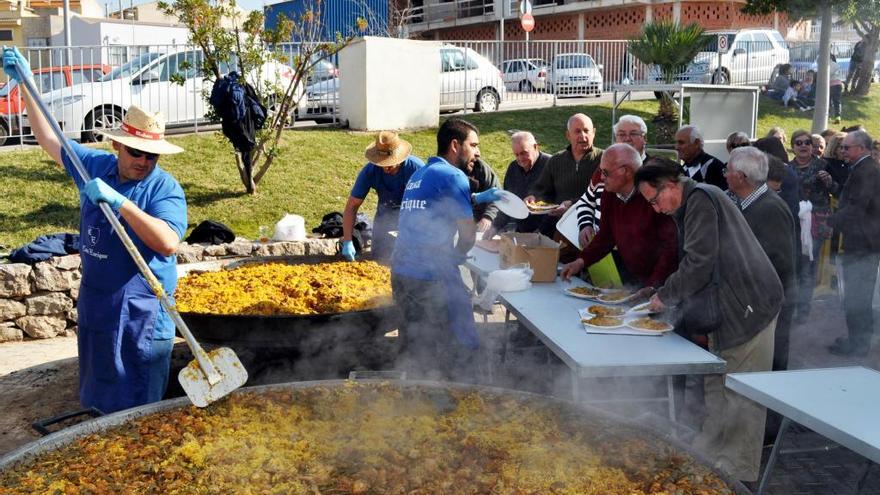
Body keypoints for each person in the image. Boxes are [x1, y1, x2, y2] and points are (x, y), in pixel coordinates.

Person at [3, 47, 187, 413]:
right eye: (136, 152)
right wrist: (27, 86)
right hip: (98, 304)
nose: (143, 162)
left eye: (152, 156)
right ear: (117, 144)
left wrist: (123, 204)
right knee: (100, 396)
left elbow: (168, 243)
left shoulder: (164, 188)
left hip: (142, 313)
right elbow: (51, 140)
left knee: (140, 408)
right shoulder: (95, 166)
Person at [636, 159, 783, 483]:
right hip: (726, 308)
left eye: (655, 200)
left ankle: (736, 473)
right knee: (717, 383)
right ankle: (710, 457)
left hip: (750, 306)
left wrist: (666, 296)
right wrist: (664, 289)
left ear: (671, 185)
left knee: (743, 393)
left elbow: (700, 262)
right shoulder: (690, 203)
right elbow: (695, 260)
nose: (656, 209)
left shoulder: (701, 198)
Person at [390, 118, 500, 379]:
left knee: (414, 349)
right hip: (428, 279)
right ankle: (454, 406)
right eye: (473, 145)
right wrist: (459, 255)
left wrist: (475, 197)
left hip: (401, 274)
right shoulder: (454, 175)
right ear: (455, 145)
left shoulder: (420, 173)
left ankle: (411, 404)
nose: (478, 152)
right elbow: (468, 234)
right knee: (454, 348)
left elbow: (436, 203)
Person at [560, 145, 677, 295]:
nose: (601, 178)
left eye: (605, 172)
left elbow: (671, 248)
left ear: (625, 171)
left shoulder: (653, 196)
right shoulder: (609, 194)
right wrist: (580, 262)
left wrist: (652, 286)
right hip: (637, 276)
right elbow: (605, 237)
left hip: (667, 282)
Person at [725, 147, 797, 372]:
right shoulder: (746, 203)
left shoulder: (769, 208)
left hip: (768, 305)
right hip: (756, 303)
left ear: (741, 177)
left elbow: (777, 265)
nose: (724, 175)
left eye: (727, 171)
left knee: (770, 367)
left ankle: (772, 407)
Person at [827, 130, 880, 357]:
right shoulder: (863, 169)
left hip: (863, 244)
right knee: (856, 296)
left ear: (861, 148)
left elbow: (856, 207)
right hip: (862, 242)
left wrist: (830, 221)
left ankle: (858, 345)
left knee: (858, 297)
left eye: (847, 147)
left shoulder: (866, 171)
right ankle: (857, 341)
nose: (843, 151)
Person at [341, 131, 424, 263]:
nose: (386, 168)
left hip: (414, 222)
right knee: (380, 258)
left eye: (390, 163)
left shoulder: (417, 169)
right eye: (382, 164)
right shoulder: (370, 171)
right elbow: (352, 206)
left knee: (411, 261)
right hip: (385, 219)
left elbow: (431, 204)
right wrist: (347, 241)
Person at [574, 114, 648, 247]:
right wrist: (585, 225)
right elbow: (585, 202)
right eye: (621, 134)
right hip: (601, 253)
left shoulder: (652, 171)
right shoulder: (602, 170)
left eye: (633, 133)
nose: (627, 139)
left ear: (644, 138)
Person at [788, 129, 838, 323]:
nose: (803, 146)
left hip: (816, 224)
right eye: (798, 143)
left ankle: (803, 312)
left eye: (807, 142)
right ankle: (790, 308)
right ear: (792, 147)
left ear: (812, 146)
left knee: (808, 267)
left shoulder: (823, 165)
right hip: (794, 223)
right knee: (793, 267)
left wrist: (830, 182)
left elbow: (838, 190)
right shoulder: (787, 168)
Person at [525, 113, 603, 227]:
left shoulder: (605, 159)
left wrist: (573, 203)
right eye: (577, 131)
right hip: (560, 226)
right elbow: (542, 189)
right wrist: (533, 197)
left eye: (586, 131)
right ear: (568, 135)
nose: (583, 136)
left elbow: (606, 195)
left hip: (594, 225)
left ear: (594, 133)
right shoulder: (556, 160)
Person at [484, 131, 549, 237]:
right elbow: (508, 203)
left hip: (547, 233)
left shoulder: (550, 165)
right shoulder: (513, 168)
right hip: (521, 232)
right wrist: (494, 228)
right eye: (516, 154)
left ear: (535, 147)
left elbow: (556, 202)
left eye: (524, 153)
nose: (520, 159)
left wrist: (540, 232)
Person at [675, 125, 727, 190]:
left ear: (696, 143)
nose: (676, 147)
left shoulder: (715, 167)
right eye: (676, 143)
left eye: (681, 143)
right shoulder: (681, 169)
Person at [467, 158, 502, 233]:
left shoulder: (480, 167)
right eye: (472, 146)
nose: (478, 153)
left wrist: (488, 216)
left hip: (479, 224)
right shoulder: (447, 173)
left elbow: (497, 195)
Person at [830, 54, 845, 124]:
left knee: (828, 102)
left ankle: (828, 116)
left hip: (831, 85)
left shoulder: (829, 65)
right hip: (839, 84)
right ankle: (838, 117)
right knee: (837, 102)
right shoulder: (837, 65)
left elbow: (828, 73)